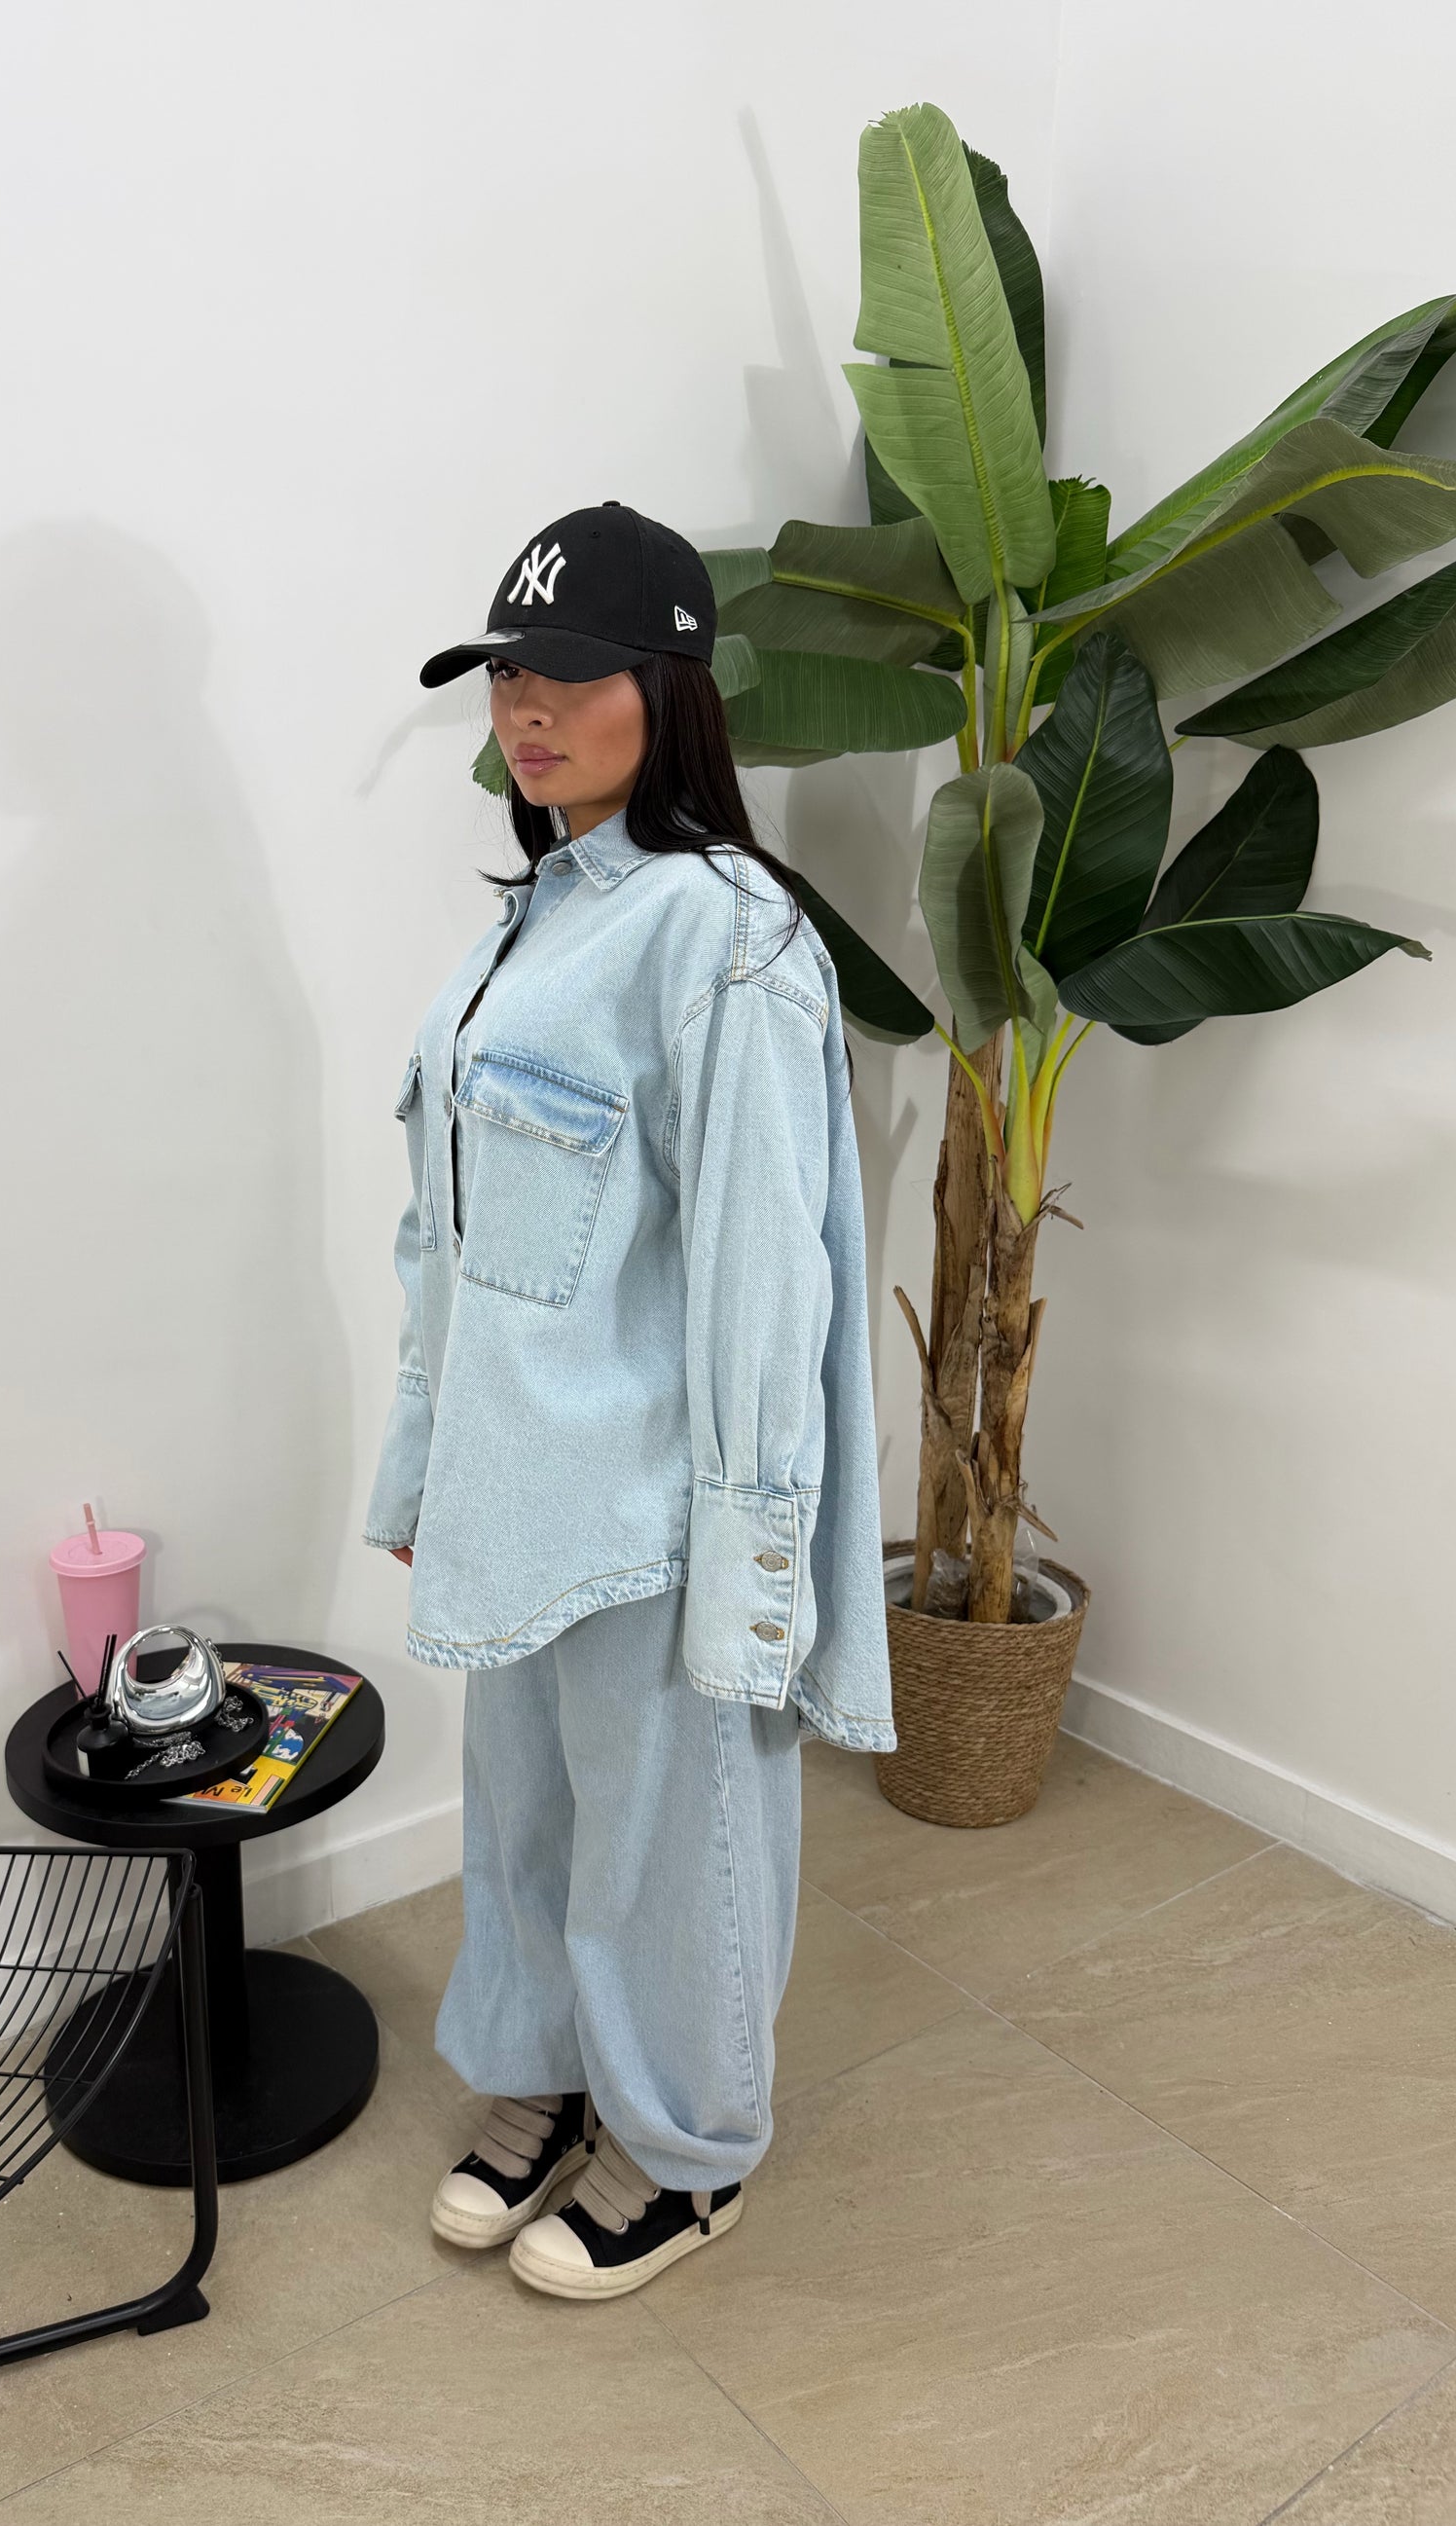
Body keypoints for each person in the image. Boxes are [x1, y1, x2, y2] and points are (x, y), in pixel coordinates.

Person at [362, 500, 895, 2301]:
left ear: (669, 691)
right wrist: (425, 1460)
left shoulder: (720, 934)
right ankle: (546, 2071)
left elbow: (763, 1272)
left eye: (570, 675)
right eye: (505, 674)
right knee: (525, 1815)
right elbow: (447, 1237)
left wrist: (753, 1556)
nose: (525, 708)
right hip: (514, 1480)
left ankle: (682, 2148)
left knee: (676, 1842)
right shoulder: (531, 920)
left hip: (648, 1495)